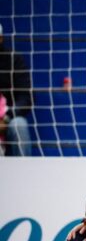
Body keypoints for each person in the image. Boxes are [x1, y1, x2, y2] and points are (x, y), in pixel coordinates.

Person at [0, 23, 33, 156]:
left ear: (1, 38)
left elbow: (26, 98)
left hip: (8, 117)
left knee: (19, 125)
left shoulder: (13, 60)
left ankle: (25, 172)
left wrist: (6, 118)